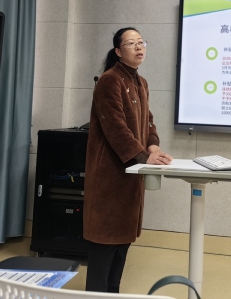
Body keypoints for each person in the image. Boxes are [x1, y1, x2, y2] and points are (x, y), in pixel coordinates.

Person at [83, 27, 173, 293]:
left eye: (141, 42)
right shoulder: (109, 80)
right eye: (131, 43)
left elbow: (149, 121)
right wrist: (145, 157)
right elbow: (116, 129)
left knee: (121, 245)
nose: (138, 47)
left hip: (132, 174)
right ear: (118, 51)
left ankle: (113, 295)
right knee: (104, 244)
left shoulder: (140, 82)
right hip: (109, 176)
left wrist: (153, 146)